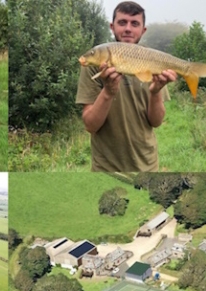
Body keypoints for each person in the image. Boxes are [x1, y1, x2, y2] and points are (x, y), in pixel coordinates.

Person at [76, 1, 177, 172]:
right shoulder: (95, 64)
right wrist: (108, 92)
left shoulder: (153, 59)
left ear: (143, 30)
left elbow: (156, 121)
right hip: (105, 168)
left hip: (147, 166)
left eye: (135, 23)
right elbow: (90, 126)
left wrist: (155, 93)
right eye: (122, 22)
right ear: (112, 26)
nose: (128, 28)